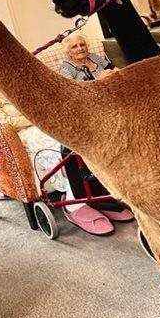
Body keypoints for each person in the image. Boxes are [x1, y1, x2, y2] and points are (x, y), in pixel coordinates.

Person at [57, 34, 134, 236]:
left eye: (82, 44)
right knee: (75, 148)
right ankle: (76, 203)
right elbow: (70, 94)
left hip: (110, 107)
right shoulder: (66, 68)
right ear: (68, 51)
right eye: (75, 47)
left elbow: (112, 71)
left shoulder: (96, 58)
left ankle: (105, 196)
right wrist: (99, 82)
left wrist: (114, 76)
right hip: (85, 113)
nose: (80, 48)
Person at [0, 88, 69, 194]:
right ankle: (72, 189)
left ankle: (85, 181)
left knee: (68, 133)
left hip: (44, 123)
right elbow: (1, 123)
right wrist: (35, 118)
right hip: (20, 134)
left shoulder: (17, 84)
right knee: (56, 142)